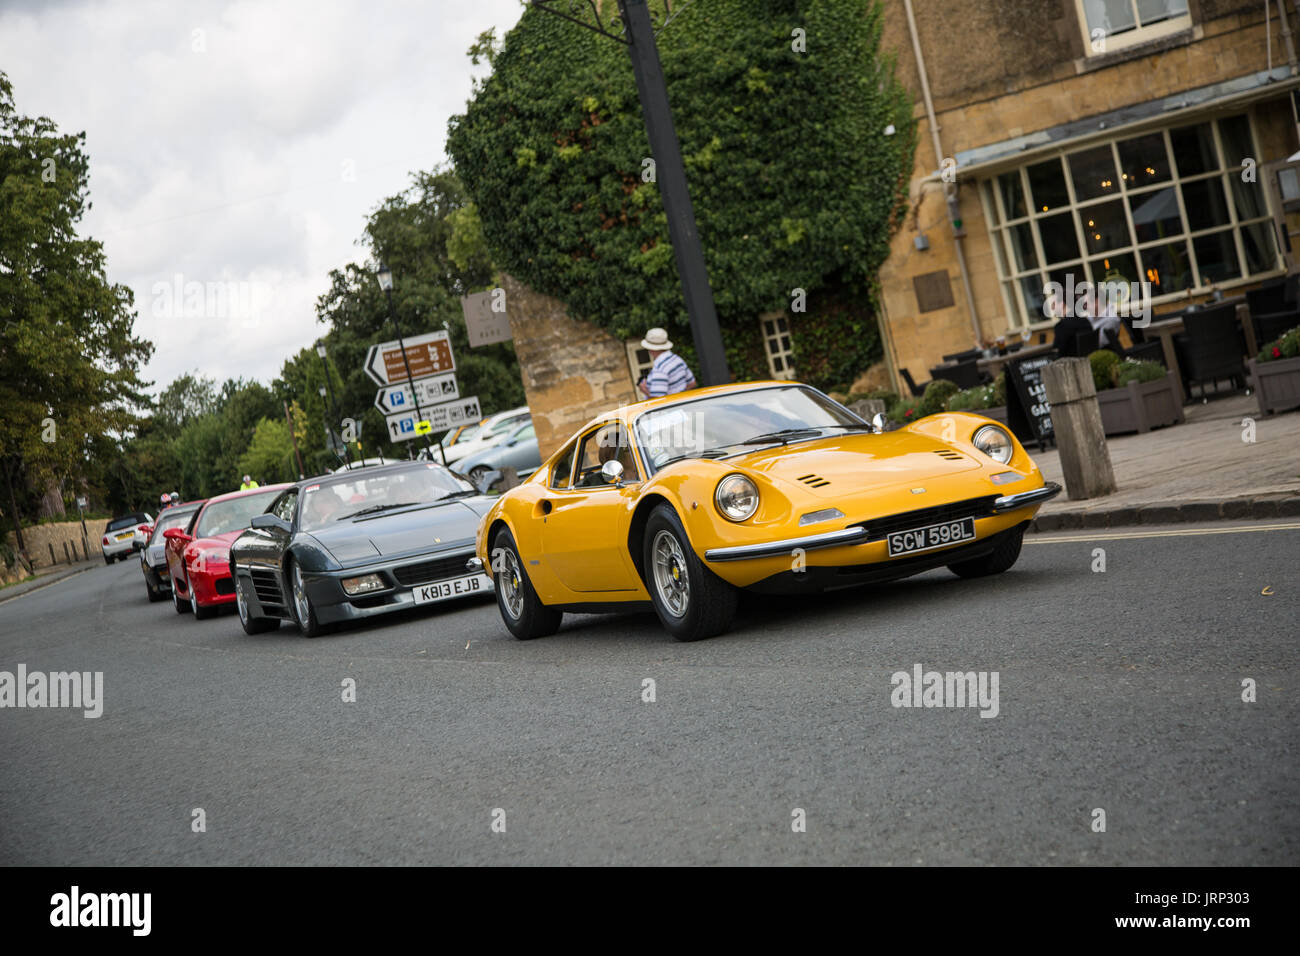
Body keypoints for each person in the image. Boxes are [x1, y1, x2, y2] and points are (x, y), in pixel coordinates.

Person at [637, 328, 696, 398]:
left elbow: (659, 400)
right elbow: (692, 383)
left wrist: (644, 390)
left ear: (650, 349)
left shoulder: (660, 368)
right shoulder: (677, 359)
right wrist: (680, 396)